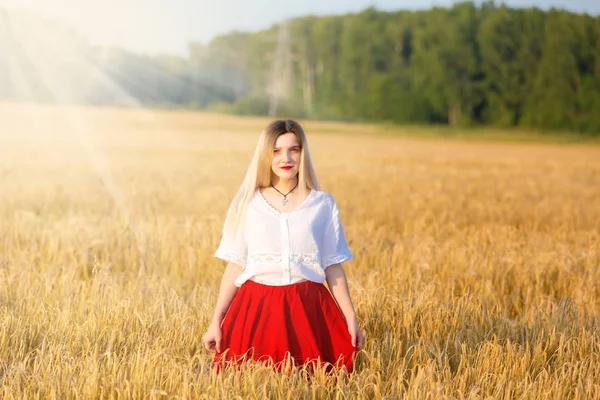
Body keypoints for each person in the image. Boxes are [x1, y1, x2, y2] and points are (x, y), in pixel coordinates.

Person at [202, 119, 364, 374]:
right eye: (276, 151)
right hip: (255, 309)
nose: (285, 158)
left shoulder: (322, 204)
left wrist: (350, 318)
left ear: (303, 153)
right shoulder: (247, 202)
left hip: (309, 310)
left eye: (294, 149)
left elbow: (333, 267)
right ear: (265, 156)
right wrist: (216, 320)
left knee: (313, 384)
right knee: (247, 384)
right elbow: (236, 266)